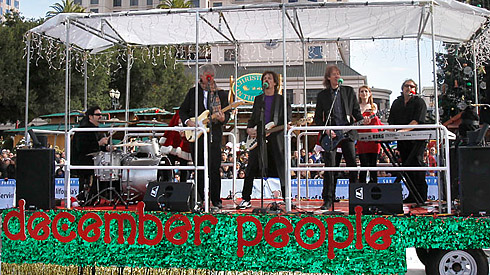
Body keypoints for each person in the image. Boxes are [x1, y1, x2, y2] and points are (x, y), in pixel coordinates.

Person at [314, 65, 368, 211]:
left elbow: (356, 112)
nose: (337, 76)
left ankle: (356, 199)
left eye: (338, 74)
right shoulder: (323, 95)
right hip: (331, 135)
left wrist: (363, 120)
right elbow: (318, 118)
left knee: (352, 166)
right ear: (328, 78)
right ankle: (328, 199)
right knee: (330, 167)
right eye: (334, 74)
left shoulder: (349, 91)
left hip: (347, 133)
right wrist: (326, 130)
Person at [237, 71, 292, 209]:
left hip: (276, 139)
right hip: (259, 138)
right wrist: (249, 129)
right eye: (264, 78)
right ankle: (245, 198)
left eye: (269, 78)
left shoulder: (282, 100)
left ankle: (286, 198)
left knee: (281, 168)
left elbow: (287, 119)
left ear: (274, 83)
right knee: (251, 167)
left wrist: (286, 125)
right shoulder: (258, 99)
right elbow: (253, 118)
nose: (266, 80)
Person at [179, 64, 230, 209]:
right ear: (201, 76)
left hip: (214, 135)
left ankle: (216, 199)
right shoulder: (193, 92)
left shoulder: (221, 94)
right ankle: (200, 198)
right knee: (199, 167)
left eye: (212, 75)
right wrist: (188, 121)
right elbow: (182, 111)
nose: (210, 78)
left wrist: (222, 119)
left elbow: (227, 115)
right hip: (198, 136)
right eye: (207, 75)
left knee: (214, 168)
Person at [388, 79, 428, 203]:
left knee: (416, 164)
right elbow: (392, 121)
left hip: (416, 140)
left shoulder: (419, 102)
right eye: (407, 86)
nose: (409, 88)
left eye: (412, 86)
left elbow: (417, 120)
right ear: (402, 88)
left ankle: (421, 196)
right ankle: (412, 194)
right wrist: (391, 133)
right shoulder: (396, 102)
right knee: (406, 166)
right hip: (402, 140)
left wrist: (403, 130)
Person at [71, 106, 109, 203]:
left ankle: (98, 195)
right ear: (90, 117)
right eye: (97, 115)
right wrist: (99, 143)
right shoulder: (83, 130)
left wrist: (106, 148)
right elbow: (83, 148)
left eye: (101, 114)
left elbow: (95, 147)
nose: (100, 117)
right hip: (83, 162)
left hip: (93, 160)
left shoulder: (95, 129)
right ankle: (87, 197)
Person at [356, 85, 383, 184]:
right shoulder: (356, 106)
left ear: (370, 93)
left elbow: (375, 118)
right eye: (362, 91)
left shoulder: (373, 106)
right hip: (362, 137)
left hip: (373, 137)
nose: (364, 93)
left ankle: (374, 186)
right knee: (363, 163)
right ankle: (362, 186)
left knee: (373, 164)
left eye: (366, 91)